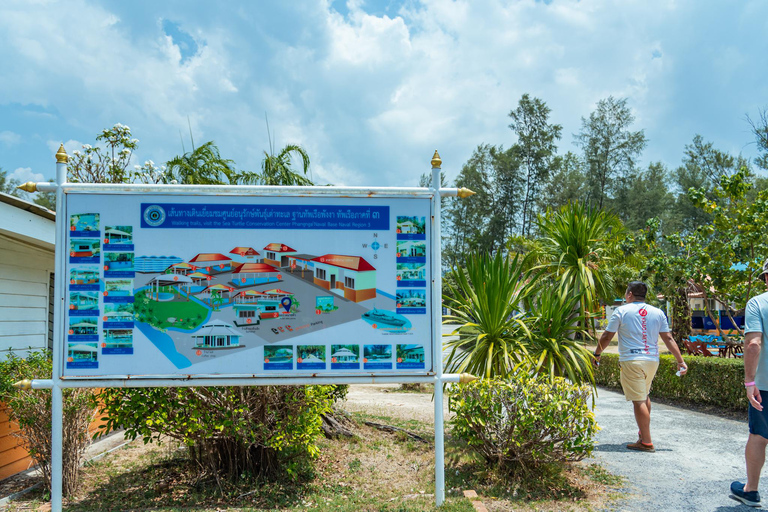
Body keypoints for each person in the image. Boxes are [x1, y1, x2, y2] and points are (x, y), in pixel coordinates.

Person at [593, 281, 688, 452]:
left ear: (629, 294)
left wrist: (597, 354)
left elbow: (607, 335)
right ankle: (642, 434)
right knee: (644, 396)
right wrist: (680, 361)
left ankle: (646, 442)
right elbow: (668, 338)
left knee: (638, 401)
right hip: (652, 360)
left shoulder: (621, 311)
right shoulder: (658, 312)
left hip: (632, 360)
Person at [730, 259, 768, 507]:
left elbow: (753, 344)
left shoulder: (758, 303)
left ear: (766, 277)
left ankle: (751, 491)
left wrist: (749, 381)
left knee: (759, 435)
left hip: (765, 385)